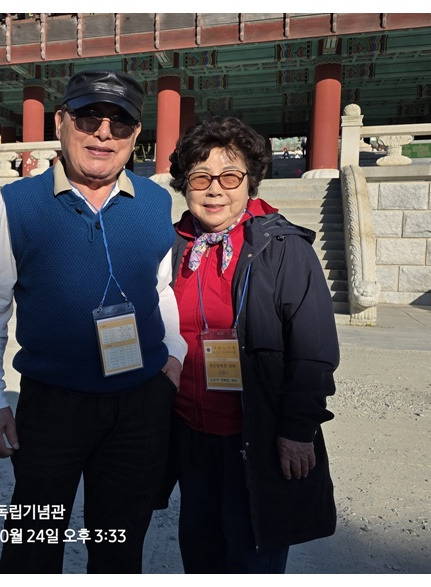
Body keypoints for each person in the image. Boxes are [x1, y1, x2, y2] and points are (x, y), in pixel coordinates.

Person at [0, 70, 187, 574]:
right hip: (52, 405)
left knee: (120, 542)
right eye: (89, 117)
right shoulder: (19, 203)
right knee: (33, 542)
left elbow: (161, 289)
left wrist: (174, 354)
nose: (103, 133)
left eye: (120, 122)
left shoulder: (156, 202)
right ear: (61, 122)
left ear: (136, 134)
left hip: (139, 401)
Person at [165, 116, 338, 573]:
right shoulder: (174, 246)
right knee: (200, 550)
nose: (214, 190)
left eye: (229, 177)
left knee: (251, 553)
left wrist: (298, 430)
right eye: (200, 177)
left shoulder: (281, 248)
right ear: (185, 185)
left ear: (249, 182)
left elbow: (313, 349)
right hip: (189, 432)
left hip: (255, 432)